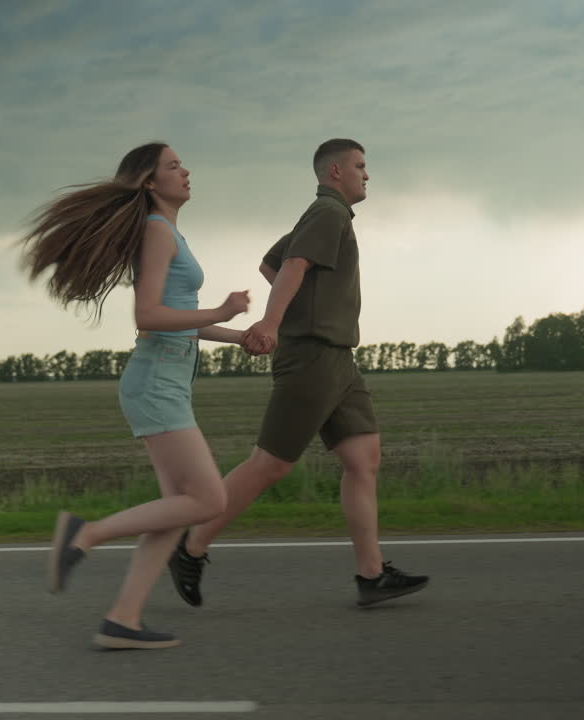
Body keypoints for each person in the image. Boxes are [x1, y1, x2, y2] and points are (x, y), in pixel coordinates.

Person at [167, 138, 429, 608]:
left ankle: (371, 574)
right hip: (312, 355)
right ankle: (191, 546)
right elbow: (291, 265)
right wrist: (273, 322)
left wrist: (306, 302)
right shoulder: (327, 213)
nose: (367, 174)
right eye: (360, 166)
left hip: (338, 358)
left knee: (363, 458)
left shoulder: (328, 216)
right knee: (272, 463)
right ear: (335, 172)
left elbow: (271, 264)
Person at [19, 142, 259, 649]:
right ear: (150, 182)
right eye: (173, 165)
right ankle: (85, 535)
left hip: (167, 378)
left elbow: (176, 318)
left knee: (179, 508)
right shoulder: (157, 231)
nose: (186, 170)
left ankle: (123, 619)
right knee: (208, 499)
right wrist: (221, 311)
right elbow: (148, 316)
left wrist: (237, 336)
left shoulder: (166, 231)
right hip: (156, 383)